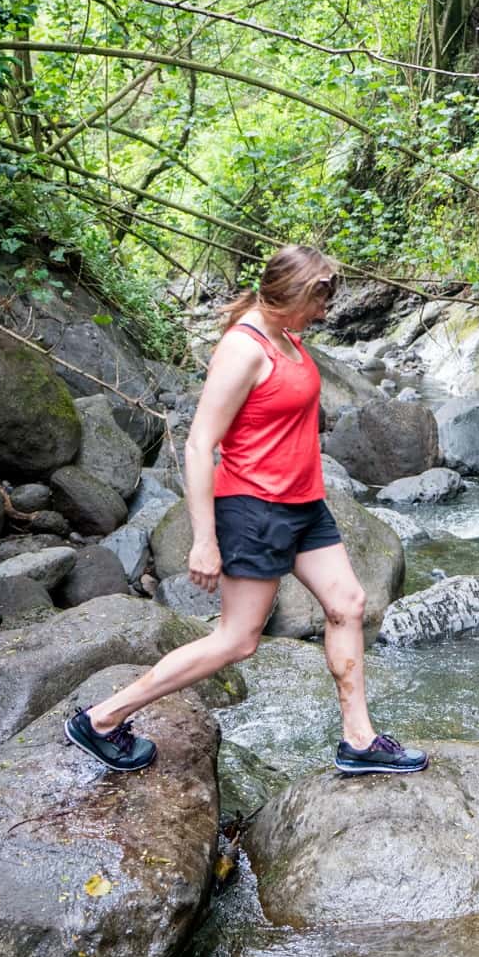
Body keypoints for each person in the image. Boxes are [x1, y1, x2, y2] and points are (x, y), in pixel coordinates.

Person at [65, 244, 425, 775]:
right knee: (237, 641)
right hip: (254, 508)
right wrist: (205, 540)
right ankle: (100, 719)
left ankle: (359, 739)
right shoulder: (243, 348)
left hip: (305, 505)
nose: (326, 311)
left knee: (348, 603)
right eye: (319, 300)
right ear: (291, 296)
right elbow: (198, 444)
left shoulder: (288, 337)